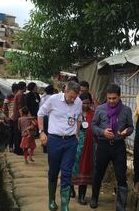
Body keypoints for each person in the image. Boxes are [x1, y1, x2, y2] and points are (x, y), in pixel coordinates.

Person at [38, 81, 82, 211]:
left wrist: (77, 134)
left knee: (67, 172)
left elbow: (78, 118)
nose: (73, 99)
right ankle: (51, 200)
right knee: (53, 171)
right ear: (65, 91)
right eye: (71, 97)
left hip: (70, 142)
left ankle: (64, 205)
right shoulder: (53, 99)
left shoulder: (78, 101)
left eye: (75, 97)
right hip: (54, 140)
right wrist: (41, 132)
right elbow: (40, 113)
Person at [90, 84, 134, 211]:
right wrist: (103, 132)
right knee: (98, 173)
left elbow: (131, 127)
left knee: (121, 176)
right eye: (109, 98)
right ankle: (94, 198)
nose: (111, 101)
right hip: (103, 146)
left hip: (119, 147)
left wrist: (126, 132)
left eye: (114, 98)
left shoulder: (126, 110)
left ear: (119, 97)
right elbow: (93, 126)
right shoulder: (100, 109)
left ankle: (121, 206)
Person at [71, 92, 96, 205]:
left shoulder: (94, 114)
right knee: (72, 169)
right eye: (83, 103)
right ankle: (70, 188)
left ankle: (82, 196)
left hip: (89, 147)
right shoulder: (75, 113)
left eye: (88, 103)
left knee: (85, 171)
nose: (85, 105)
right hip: (76, 146)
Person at [12, 82, 27, 155]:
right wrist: (22, 118)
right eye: (25, 87)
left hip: (16, 116)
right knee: (18, 134)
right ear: (23, 87)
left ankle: (16, 149)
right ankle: (18, 150)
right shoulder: (20, 95)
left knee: (16, 133)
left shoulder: (17, 94)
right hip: (18, 116)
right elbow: (20, 107)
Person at [40, 85, 55, 154]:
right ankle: (50, 148)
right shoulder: (54, 98)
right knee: (50, 132)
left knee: (45, 132)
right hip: (50, 117)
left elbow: (40, 108)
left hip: (43, 117)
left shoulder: (43, 98)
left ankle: (44, 147)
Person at [4, 83, 19, 152]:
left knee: (13, 132)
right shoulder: (9, 96)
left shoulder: (15, 96)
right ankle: (11, 146)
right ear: (16, 90)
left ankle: (13, 147)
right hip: (11, 117)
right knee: (12, 132)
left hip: (14, 116)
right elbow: (5, 107)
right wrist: (6, 116)